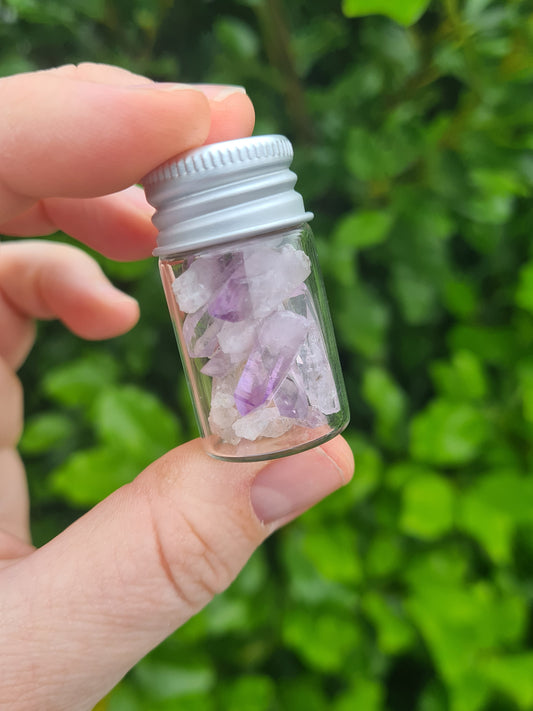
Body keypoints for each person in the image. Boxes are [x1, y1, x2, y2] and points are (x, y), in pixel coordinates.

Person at [0, 63, 354, 711]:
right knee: (241, 394)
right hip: (209, 253)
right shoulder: (192, 268)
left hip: (234, 244)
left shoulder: (279, 254)